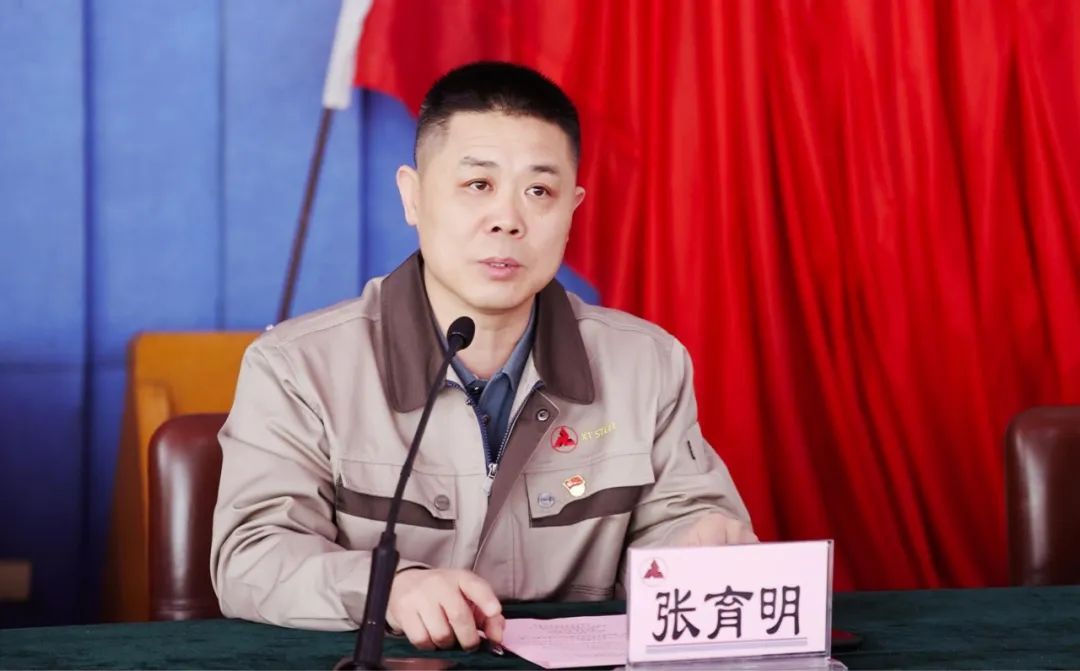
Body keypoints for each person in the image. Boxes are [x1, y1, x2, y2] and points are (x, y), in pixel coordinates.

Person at [210, 61, 755, 653]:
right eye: (478, 185)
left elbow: (685, 518)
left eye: (539, 192)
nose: (507, 221)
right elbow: (251, 555)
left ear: (572, 210)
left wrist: (698, 545)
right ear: (413, 196)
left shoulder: (648, 364)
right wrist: (388, 588)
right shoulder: (298, 367)